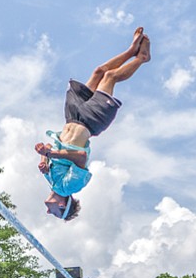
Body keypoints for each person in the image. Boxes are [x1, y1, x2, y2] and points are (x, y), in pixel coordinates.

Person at [35, 27, 151, 221]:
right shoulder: (70, 187)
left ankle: (132, 51)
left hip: (72, 117)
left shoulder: (52, 181)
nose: (48, 211)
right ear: (63, 205)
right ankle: (141, 58)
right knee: (110, 77)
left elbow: (53, 149)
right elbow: (80, 157)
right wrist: (51, 154)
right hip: (90, 120)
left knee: (98, 72)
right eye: (54, 212)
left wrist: (44, 154)